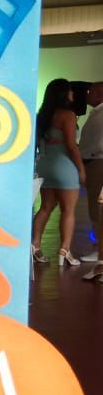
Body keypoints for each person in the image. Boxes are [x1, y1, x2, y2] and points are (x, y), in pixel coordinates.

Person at [32, 78, 86, 268]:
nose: (72, 94)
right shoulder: (68, 115)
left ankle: (35, 246)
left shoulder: (41, 116)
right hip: (64, 165)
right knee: (68, 210)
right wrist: (81, 168)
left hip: (45, 164)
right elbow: (71, 146)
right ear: (63, 94)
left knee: (45, 208)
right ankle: (65, 250)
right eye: (70, 91)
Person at [77, 80, 103, 262]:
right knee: (94, 206)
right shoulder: (96, 112)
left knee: (97, 207)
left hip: (98, 162)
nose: (87, 95)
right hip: (92, 161)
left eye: (90, 92)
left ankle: (100, 250)